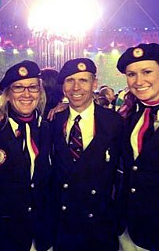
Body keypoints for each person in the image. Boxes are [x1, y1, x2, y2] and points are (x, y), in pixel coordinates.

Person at [0, 60, 53, 251]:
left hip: (42, 233)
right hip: (4, 236)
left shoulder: (48, 129)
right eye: (18, 87)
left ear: (40, 92)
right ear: (8, 94)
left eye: (32, 88)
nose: (26, 94)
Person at [50, 58, 123, 251]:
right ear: (63, 86)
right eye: (70, 80)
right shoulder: (53, 121)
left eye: (83, 80)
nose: (76, 87)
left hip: (100, 225)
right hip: (64, 226)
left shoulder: (115, 122)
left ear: (95, 84)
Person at [116, 43, 159, 251]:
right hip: (128, 229)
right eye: (131, 74)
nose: (139, 81)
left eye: (147, 72)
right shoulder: (129, 113)